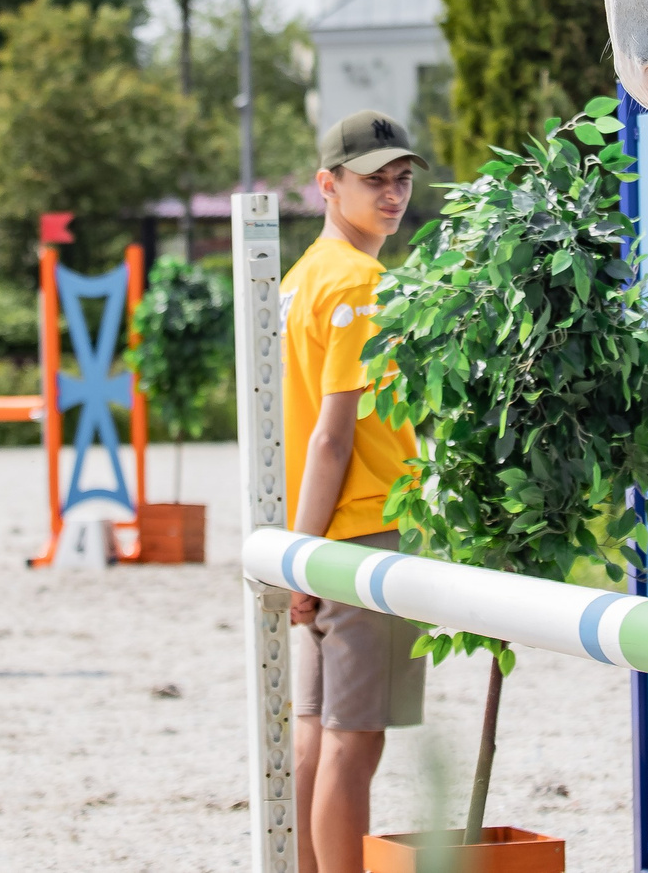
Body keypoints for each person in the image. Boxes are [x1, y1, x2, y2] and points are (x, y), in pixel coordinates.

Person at [282, 111, 426, 873]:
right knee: (353, 740)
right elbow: (331, 436)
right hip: (363, 529)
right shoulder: (362, 283)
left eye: (402, 178)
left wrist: (296, 551)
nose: (392, 193)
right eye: (374, 180)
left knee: (317, 727)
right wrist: (304, 558)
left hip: (317, 530)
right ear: (327, 184)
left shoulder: (300, 278)